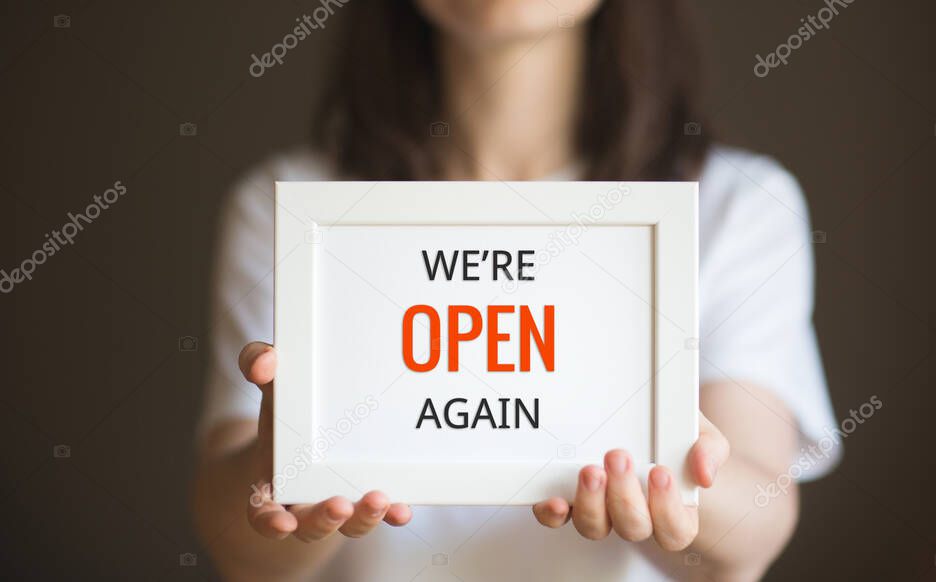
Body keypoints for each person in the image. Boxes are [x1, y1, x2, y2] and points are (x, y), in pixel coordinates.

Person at [192, 1, 840, 580]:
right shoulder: (290, 207)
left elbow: (757, 524)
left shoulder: (736, 205)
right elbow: (242, 548)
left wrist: (672, 470)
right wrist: (281, 475)